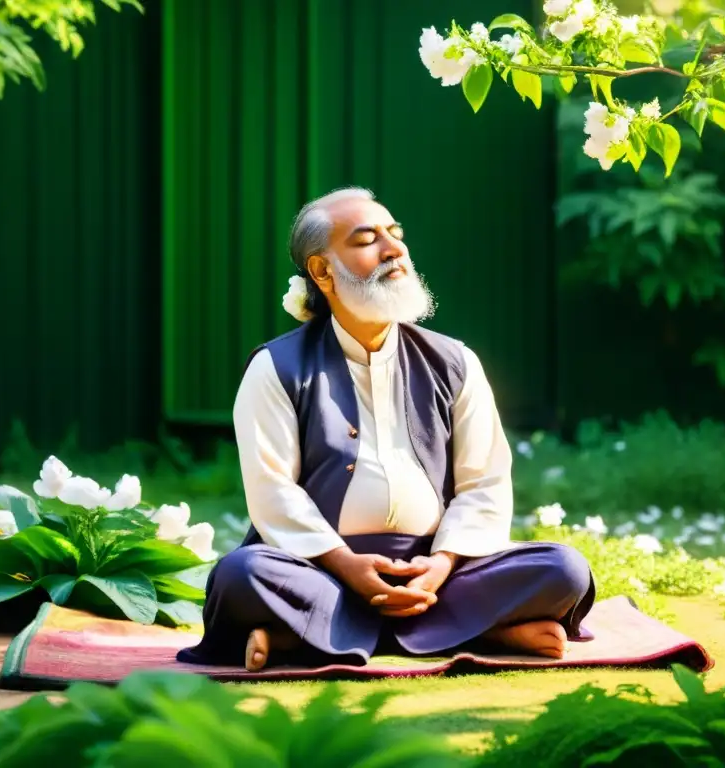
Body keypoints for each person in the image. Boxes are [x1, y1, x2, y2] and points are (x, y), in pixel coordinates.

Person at [177, 188, 595, 671]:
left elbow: (484, 484)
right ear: (322, 271)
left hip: (437, 573)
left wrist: (440, 565)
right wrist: (345, 565)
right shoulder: (276, 367)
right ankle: (486, 631)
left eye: (395, 235)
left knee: (564, 569)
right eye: (366, 240)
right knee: (243, 574)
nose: (394, 249)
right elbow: (274, 494)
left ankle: (302, 637)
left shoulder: (455, 362)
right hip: (321, 571)